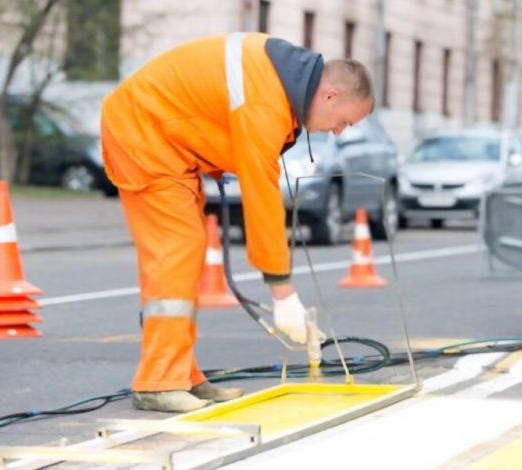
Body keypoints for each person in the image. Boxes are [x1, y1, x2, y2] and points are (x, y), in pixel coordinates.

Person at [100, 33, 374, 412]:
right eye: (345, 121)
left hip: (166, 141)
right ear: (330, 96)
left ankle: (181, 375)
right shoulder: (268, 99)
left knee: (184, 254)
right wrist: (282, 291)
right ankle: (158, 382)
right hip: (145, 136)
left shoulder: (281, 79)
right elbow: (261, 194)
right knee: (177, 250)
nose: (340, 131)